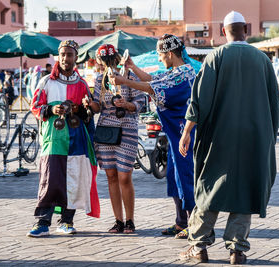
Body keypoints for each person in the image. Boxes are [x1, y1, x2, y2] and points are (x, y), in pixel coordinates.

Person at [177, 11, 279, 264]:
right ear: (246, 27)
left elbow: (199, 101)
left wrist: (187, 132)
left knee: (209, 186)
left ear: (223, 31)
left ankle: (199, 247)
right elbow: (274, 105)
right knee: (245, 190)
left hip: (218, 138)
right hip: (254, 139)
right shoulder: (263, 60)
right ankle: (237, 250)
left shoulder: (215, 58)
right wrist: (269, 138)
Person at [109, 34, 197, 239]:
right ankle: (181, 222)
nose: (159, 59)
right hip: (175, 133)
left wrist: (124, 81)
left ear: (169, 54)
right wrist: (131, 68)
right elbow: (153, 80)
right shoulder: (176, 71)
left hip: (184, 132)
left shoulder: (183, 73)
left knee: (185, 177)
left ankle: (194, 224)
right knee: (175, 178)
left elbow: (152, 87)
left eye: (160, 55)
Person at [27, 40, 100, 237]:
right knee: (50, 179)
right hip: (53, 140)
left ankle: (66, 221)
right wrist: (51, 109)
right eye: (63, 54)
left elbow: (88, 115)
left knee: (73, 179)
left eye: (70, 54)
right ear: (57, 57)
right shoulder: (46, 82)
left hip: (77, 141)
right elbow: (35, 106)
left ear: (76, 58)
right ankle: (42, 222)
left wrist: (83, 108)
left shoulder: (82, 84)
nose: (66, 58)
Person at [84, 44, 145, 234]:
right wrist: (89, 104)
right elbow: (98, 108)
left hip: (127, 129)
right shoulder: (100, 79)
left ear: (117, 58)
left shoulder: (128, 76)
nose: (107, 63)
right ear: (100, 61)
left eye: (110, 59)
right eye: (104, 60)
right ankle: (118, 220)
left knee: (124, 176)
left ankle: (130, 220)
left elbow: (141, 103)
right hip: (106, 131)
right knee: (111, 176)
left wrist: (127, 104)